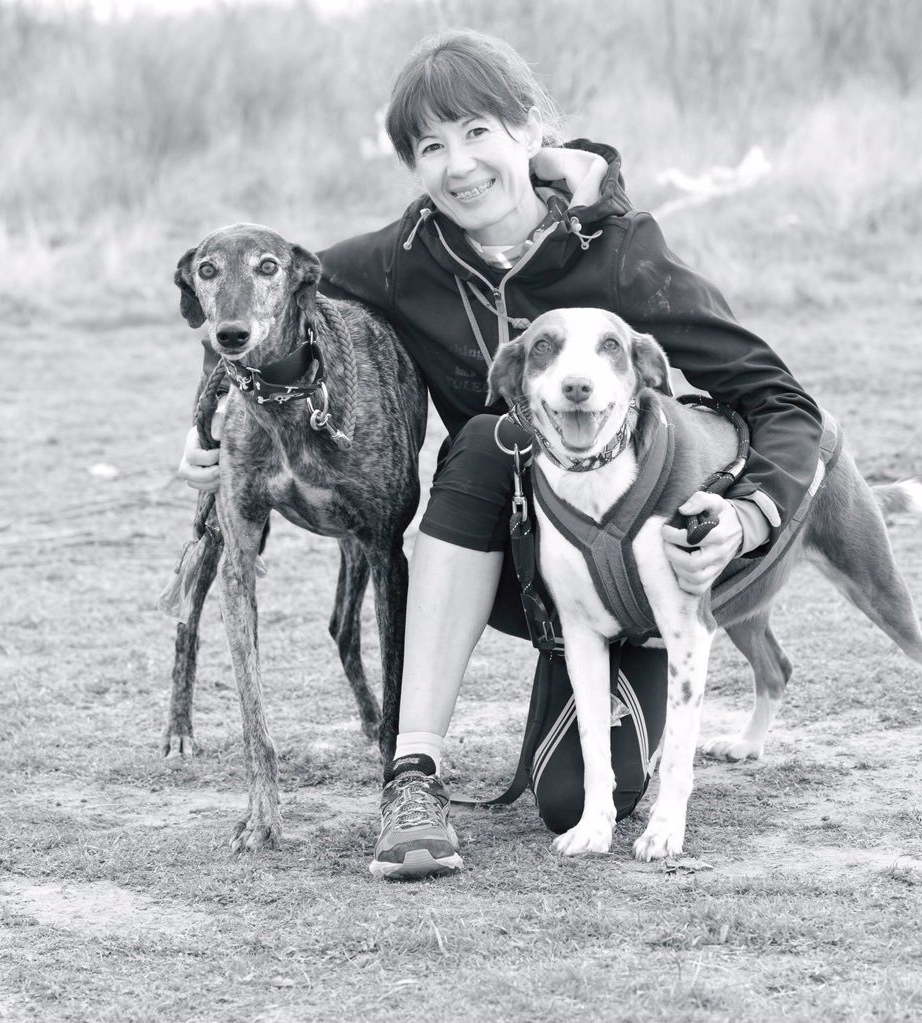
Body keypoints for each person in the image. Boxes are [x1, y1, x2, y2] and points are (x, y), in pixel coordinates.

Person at [179, 30, 823, 880]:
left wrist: (746, 514)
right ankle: (413, 770)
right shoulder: (398, 260)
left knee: (568, 803)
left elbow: (783, 406)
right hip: (517, 569)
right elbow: (254, 304)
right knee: (489, 436)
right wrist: (203, 421)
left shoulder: (624, 256)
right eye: (430, 147)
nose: (459, 166)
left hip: (642, 566)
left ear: (529, 131)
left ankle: (631, 667)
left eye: (478, 132)